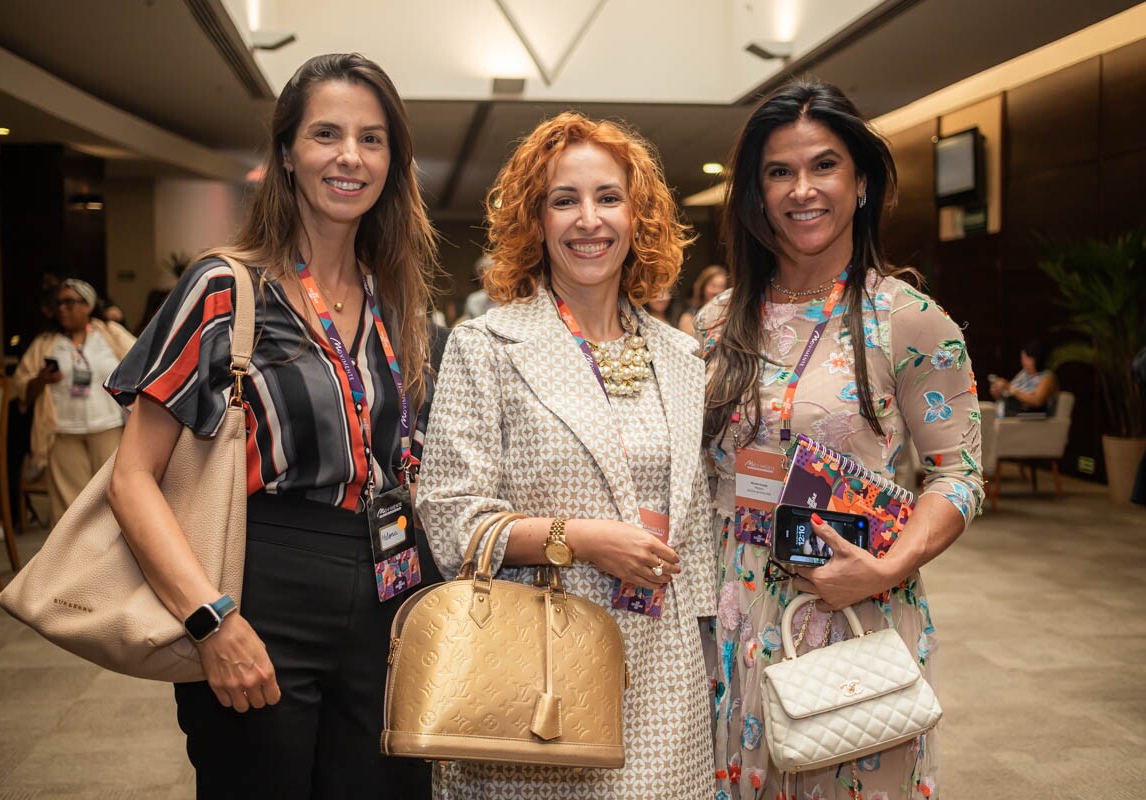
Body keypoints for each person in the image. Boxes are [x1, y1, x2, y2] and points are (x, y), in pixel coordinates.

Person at [103, 53, 437, 798]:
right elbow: (131, 481)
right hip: (262, 589)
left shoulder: (398, 303)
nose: (350, 156)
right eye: (327, 134)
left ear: (393, 160)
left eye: (372, 138)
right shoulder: (226, 286)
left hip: (387, 595)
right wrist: (210, 621)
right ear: (288, 152)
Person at [697, 80, 984, 799]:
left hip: (852, 603)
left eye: (824, 166)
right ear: (757, 194)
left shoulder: (908, 318)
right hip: (731, 613)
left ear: (860, 182)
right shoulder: (714, 323)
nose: (803, 190)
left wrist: (891, 566)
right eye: (779, 171)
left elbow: (960, 472)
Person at [417, 111, 715, 799]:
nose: (590, 220)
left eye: (609, 198)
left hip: (665, 676)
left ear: (637, 216)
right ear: (536, 220)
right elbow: (451, 520)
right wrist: (578, 539)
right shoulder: (486, 346)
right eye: (564, 200)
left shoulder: (681, 355)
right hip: (536, 670)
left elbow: (697, 530)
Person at [11, 278, 136, 524]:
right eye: (58, 303)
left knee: (112, 504)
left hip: (108, 428)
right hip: (62, 432)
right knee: (71, 513)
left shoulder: (109, 333)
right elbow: (20, 385)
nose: (62, 309)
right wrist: (41, 380)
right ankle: (74, 562)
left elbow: (142, 361)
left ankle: (109, 561)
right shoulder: (46, 343)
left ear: (88, 305)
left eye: (70, 302)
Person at [988, 339, 1059, 416]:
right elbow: (1008, 395)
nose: (1024, 362)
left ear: (1038, 358)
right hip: (1009, 413)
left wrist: (1010, 388)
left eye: (1027, 359)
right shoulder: (1024, 373)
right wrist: (998, 392)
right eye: (1023, 358)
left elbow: (1037, 401)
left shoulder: (1047, 377)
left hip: (1028, 417)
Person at [677, 264, 729, 337]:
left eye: (721, 286)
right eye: (713, 286)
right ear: (703, 288)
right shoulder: (689, 317)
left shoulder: (729, 316)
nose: (717, 291)